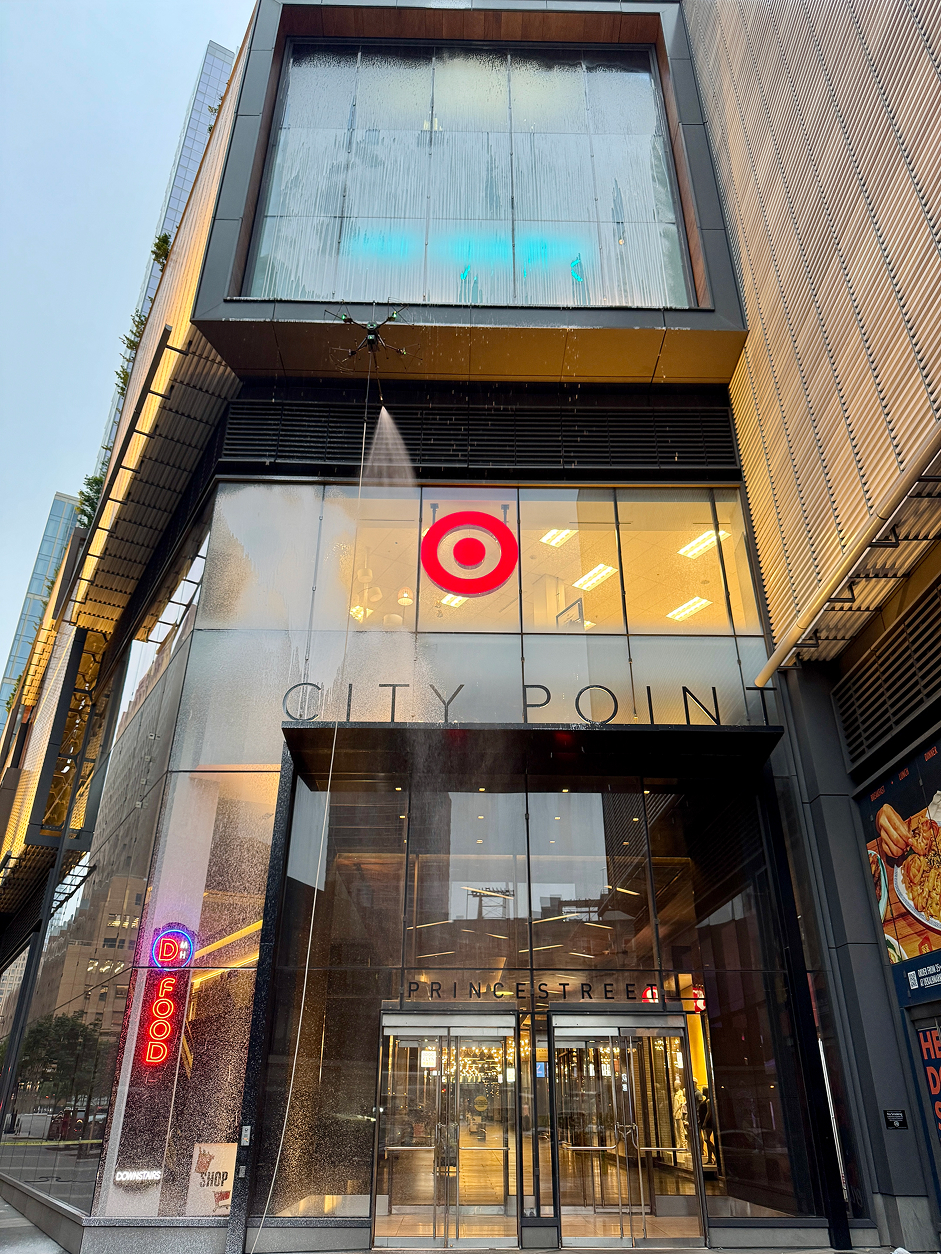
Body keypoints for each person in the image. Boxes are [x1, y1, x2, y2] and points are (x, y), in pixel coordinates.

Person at [698, 1086, 715, 1165]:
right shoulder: (706, 1100)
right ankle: (709, 1158)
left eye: (703, 1091)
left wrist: (705, 1122)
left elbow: (709, 1112)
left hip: (707, 1123)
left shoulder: (708, 1101)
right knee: (707, 1139)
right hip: (704, 1122)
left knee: (706, 1139)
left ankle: (715, 1155)